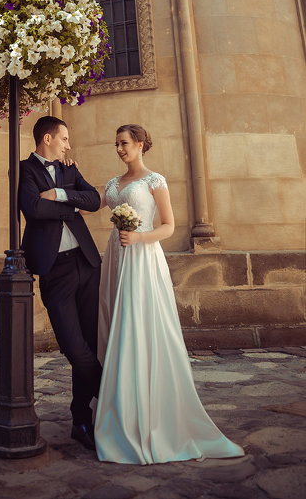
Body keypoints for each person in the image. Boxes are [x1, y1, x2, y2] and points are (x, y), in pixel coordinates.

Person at [94, 124, 244, 464]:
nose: (120, 149)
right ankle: (118, 407)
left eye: (125, 143)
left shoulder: (154, 181)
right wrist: (63, 186)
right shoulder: (112, 184)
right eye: (116, 144)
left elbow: (169, 226)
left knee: (140, 325)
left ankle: (149, 412)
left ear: (141, 144)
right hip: (116, 258)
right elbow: (90, 204)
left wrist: (139, 239)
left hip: (143, 257)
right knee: (114, 322)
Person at [19, 116, 102, 450]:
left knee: (90, 342)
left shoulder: (69, 170)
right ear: (49, 138)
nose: (69, 145)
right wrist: (70, 206)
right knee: (72, 345)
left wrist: (60, 194)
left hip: (87, 263)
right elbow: (33, 209)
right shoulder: (25, 170)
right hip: (55, 271)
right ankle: (110, 392)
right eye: (65, 139)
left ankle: (81, 420)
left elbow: (94, 200)